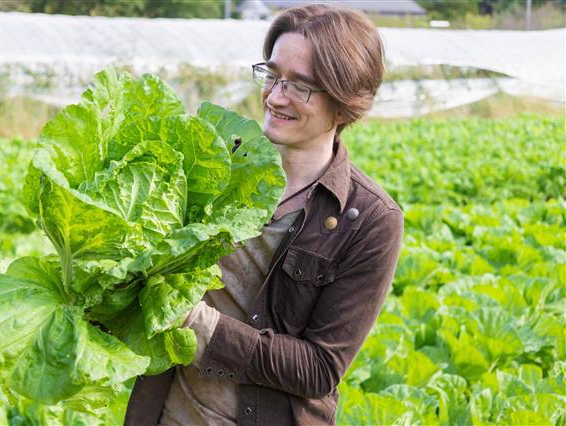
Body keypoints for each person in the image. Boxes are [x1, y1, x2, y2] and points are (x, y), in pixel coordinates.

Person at [125, 4, 403, 425]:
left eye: (300, 86)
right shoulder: (211, 164)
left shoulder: (368, 219)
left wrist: (194, 322)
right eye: (272, 76)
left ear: (344, 104)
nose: (274, 97)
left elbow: (318, 369)